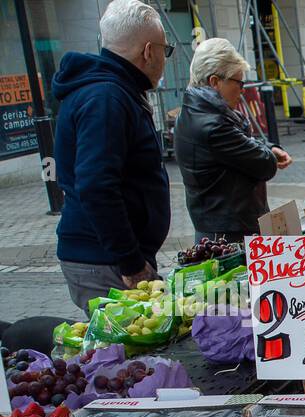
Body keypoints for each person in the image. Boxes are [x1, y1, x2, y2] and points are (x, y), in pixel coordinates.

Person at [52, 0, 171, 314]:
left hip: (112, 256)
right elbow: (96, 186)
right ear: (149, 51)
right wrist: (131, 261)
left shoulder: (112, 91)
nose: (164, 59)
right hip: (106, 261)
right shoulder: (106, 97)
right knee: (128, 357)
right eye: (165, 50)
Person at [174, 38, 291, 244]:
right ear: (215, 82)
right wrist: (268, 154)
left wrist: (269, 147)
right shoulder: (213, 125)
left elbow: (242, 147)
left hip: (219, 228)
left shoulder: (194, 112)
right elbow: (263, 165)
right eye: (238, 82)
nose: (242, 89)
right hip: (230, 234)